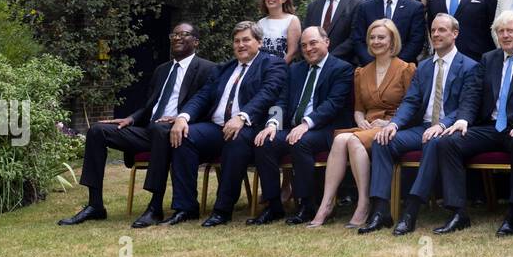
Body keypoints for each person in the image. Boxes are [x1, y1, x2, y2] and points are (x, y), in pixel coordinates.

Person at [406, 11, 513, 236]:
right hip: (490, 125)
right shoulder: (489, 58)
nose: (505, 35)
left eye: (510, 31)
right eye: (500, 31)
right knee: (448, 142)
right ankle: (458, 212)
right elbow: (473, 93)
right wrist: (463, 119)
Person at [58, 23, 217, 227]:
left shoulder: (208, 69)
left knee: (160, 129)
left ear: (196, 41)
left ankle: (155, 206)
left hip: (179, 132)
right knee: (97, 131)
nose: (177, 38)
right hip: (149, 130)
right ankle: (95, 205)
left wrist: (180, 118)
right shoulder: (162, 70)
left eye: (184, 34)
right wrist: (131, 119)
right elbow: (149, 106)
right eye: (174, 34)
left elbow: (208, 106)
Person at [357, 13, 481, 234]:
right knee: (382, 141)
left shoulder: (470, 66)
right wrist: (393, 125)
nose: (436, 34)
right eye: (433, 30)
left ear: (455, 33)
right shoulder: (423, 67)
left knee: (434, 142)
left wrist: (442, 125)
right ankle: (380, 210)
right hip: (421, 127)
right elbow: (411, 101)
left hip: (449, 129)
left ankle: (411, 211)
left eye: (441, 30)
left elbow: (467, 107)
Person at [165, 22, 286, 225]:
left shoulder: (272, 64)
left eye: (246, 40)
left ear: (259, 42)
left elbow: (268, 94)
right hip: (216, 126)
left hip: (250, 127)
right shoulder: (225, 68)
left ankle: (222, 210)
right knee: (185, 136)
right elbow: (203, 96)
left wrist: (242, 117)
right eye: (237, 41)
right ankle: (185, 208)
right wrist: (183, 117)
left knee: (235, 140)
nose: (241, 45)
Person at [309, 18, 416, 228]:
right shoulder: (361, 72)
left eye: (381, 37)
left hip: (392, 127)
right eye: (372, 37)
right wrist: (361, 121)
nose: (376, 41)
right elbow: (358, 108)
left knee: (351, 141)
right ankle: (327, 203)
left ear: (392, 40)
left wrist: (389, 123)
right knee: (340, 139)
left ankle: (364, 203)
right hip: (366, 126)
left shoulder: (406, 69)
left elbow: (413, 106)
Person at [244, 26, 354, 225]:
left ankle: (306, 204)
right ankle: (273, 205)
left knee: (300, 142)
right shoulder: (295, 70)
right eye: (303, 45)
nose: (308, 49)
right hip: (293, 128)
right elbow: (281, 100)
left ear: (326, 42)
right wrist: (272, 124)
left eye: (313, 43)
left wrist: (306, 123)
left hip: (327, 129)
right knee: (264, 141)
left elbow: (333, 104)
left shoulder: (342, 69)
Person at [354, 0, 426, 65]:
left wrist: (394, 66)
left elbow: (416, 41)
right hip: (371, 68)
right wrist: (373, 64)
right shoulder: (365, 7)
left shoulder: (415, 8)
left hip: (402, 69)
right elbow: (358, 40)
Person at [257, 0, 302, 64]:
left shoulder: (292, 20)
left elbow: (293, 52)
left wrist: (277, 68)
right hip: (261, 69)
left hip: (282, 70)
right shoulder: (260, 23)